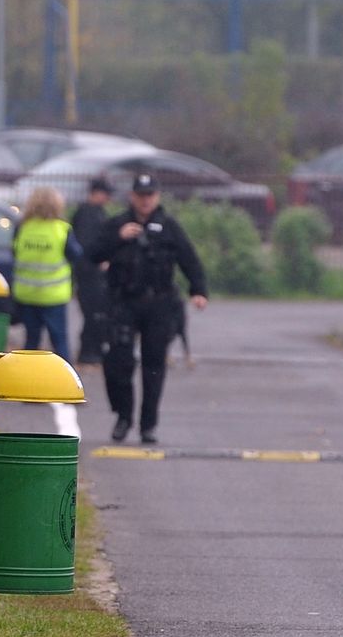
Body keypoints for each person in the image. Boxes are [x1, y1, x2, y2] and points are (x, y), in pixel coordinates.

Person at [87, 172, 208, 445]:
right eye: (140, 196)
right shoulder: (117, 223)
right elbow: (92, 253)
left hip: (159, 304)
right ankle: (123, 416)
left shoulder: (168, 226)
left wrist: (198, 290)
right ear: (132, 197)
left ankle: (148, 424)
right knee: (118, 362)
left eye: (149, 196)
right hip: (123, 302)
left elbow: (189, 260)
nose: (145, 201)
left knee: (154, 365)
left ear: (157, 197)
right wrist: (118, 238)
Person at [11, 186, 84, 364]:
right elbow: (76, 255)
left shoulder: (23, 228)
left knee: (31, 342)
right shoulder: (62, 229)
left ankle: (26, 384)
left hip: (27, 294)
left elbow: (14, 252)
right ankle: (66, 385)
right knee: (59, 342)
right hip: (53, 295)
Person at [70, 177, 113, 366]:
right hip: (89, 272)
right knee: (92, 312)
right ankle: (88, 352)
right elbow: (87, 244)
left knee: (98, 312)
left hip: (93, 272)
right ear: (96, 193)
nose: (108, 198)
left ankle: (94, 349)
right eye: (106, 194)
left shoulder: (96, 212)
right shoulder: (87, 213)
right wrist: (100, 260)